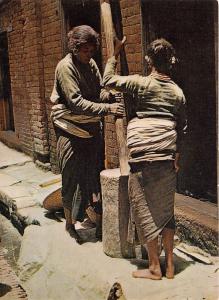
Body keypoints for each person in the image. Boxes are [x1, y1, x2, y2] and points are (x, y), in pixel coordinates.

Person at [103, 37, 187, 279]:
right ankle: (169, 266)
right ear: (171, 62)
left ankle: (153, 267)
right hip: (166, 157)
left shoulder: (140, 84)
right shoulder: (178, 93)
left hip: (142, 159)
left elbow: (107, 81)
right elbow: (181, 128)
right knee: (166, 210)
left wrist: (115, 55)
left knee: (144, 209)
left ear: (149, 60)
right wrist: (176, 156)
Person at [50, 25, 124, 244]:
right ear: (75, 48)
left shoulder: (91, 64)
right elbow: (76, 103)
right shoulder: (66, 67)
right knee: (71, 175)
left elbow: (97, 91)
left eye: (91, 51)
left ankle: (97, 220)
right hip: (70, 128)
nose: (88, 55)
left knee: (93, 175)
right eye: (85, 51)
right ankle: (70, 224)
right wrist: (107, 109)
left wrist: (108, 96)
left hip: (91, 128)